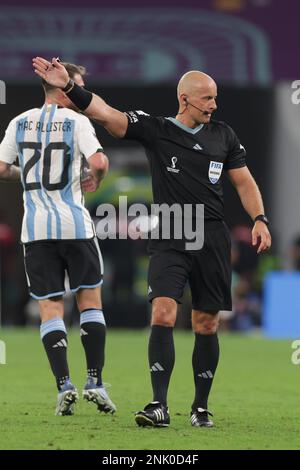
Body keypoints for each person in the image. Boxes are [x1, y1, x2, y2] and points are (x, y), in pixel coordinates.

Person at [32, 58, 272, 427]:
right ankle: (158, 405)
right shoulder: (157, 129)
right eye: (207, 98)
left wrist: (259, 219)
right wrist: (69, 88)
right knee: (162, 311)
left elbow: (244, 182)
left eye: (215, 98)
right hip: (171, 233)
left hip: (211, 235)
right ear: (185, 99)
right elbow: (108, 115)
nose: (213, 105)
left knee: (206, 323)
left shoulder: (224, 135)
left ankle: (200, 408)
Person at [0, 62, 116, 416]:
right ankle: (94, 381)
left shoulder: (19, 122)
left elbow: (1, 168)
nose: (82, 94)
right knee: (89, 302)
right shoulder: (78, 121)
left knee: (50, 308)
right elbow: (100, 160)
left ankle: (64, 385)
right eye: (77, 86)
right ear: (63, 88)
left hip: (35, 230)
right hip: (75, 226)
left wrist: (28, 176)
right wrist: (94, 177)